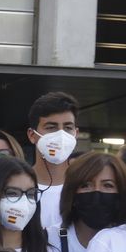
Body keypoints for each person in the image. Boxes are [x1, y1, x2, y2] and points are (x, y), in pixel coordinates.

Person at [52, 151, 126, 252]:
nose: (96, 193)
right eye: (86, 185)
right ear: (71, 192)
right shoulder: (49, 241)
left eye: (107, 186)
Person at [25, 92, 80, 233]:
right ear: (32, 135)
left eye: (68, 128)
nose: (61, 135)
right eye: (51, 127)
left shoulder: (84, 188)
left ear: (76, 133)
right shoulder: (17, 189)